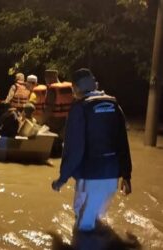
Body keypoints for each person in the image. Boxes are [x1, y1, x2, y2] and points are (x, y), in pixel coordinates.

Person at [51, 68, 132, 232]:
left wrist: (62, 178)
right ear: (94, 84)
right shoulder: (114, 105)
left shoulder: (80, 108)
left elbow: (74, 149)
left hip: (90, 177)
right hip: (112, 178)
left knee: (83, 228)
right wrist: (127, 175)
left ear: (75, 88)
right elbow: (123, 142)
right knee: (97, 220)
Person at [44, 69, 74, 157]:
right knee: (62, 143)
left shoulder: (52, 89)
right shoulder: (69, 87)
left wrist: (41, 122)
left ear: (49, 78)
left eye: (46, 78)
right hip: (68, 120)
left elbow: (49, 108)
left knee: (53, 145)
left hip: (54, 120)